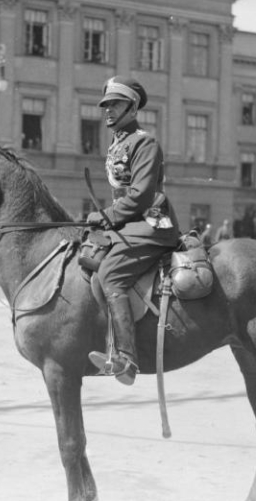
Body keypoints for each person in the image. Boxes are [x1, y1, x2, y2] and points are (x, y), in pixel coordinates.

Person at [86, 76, 180, 386]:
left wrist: (107, 215)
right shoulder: (117, 143)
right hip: (129, 222)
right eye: (106, 105)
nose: (108, 110)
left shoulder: (144, 142)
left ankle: (126, 359)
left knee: (111, 273)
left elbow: (141, 195)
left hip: (154, 221)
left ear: (132, 106)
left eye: (115, 104)